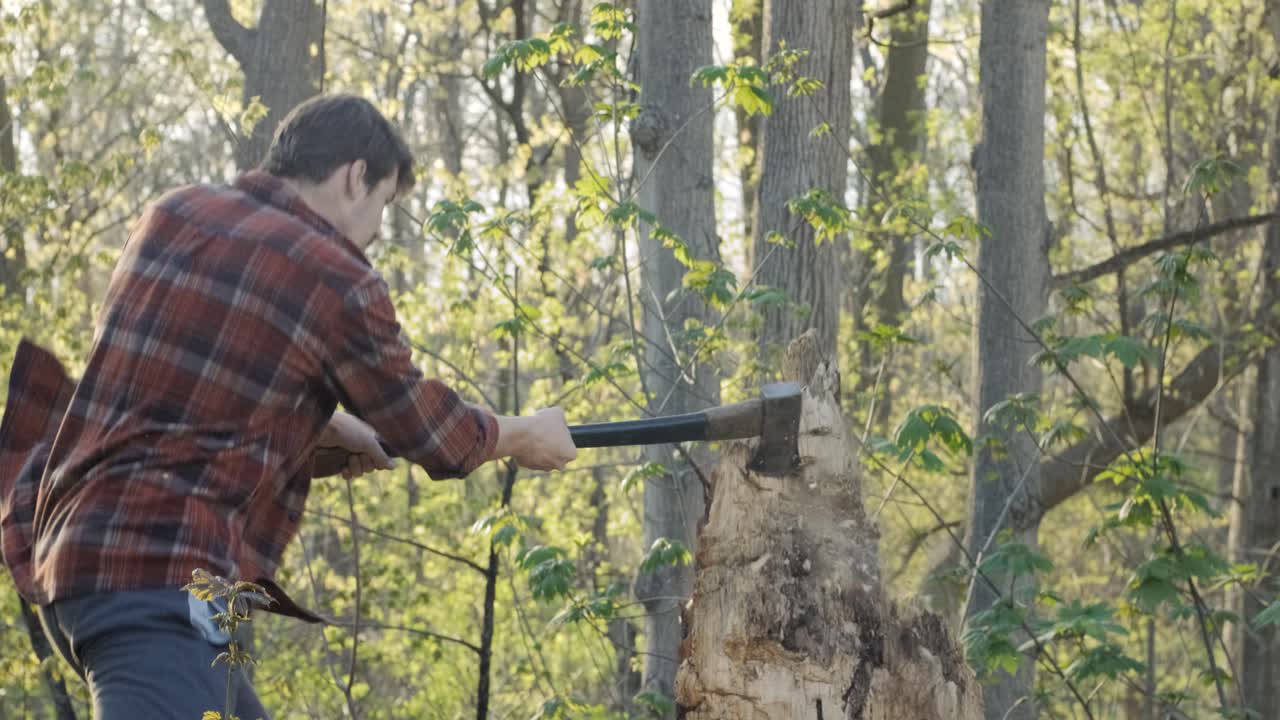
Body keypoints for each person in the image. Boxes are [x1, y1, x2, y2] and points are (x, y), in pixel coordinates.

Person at [0, 93, 577, 719]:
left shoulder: (173, 215)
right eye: (381, 209)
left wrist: (324, 426)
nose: (374, 239)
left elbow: (177, 396)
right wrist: (522, 434)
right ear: (357, 175)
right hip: (152, 582)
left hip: (77, 561)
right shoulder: (334, 275)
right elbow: (426, 429)